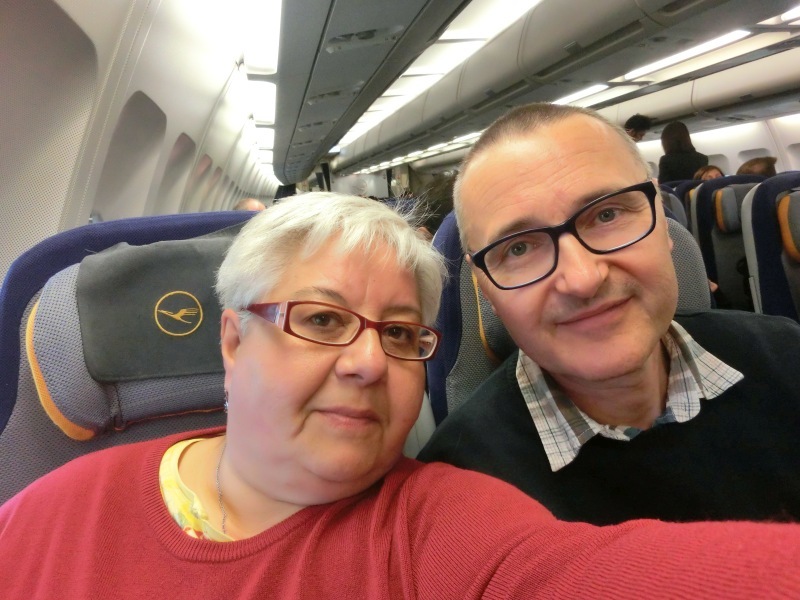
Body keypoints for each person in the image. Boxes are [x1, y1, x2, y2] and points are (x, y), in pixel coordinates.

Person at [4, 194, 800, 598]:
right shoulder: (46, 518)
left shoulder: (436, 528)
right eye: (321, 319)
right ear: (234, 341)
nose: (367, 363)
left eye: (399, 334)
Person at [418, 102, 800, 526]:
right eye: (520, 248)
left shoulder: (787, 354)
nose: (582, 279)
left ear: (661, 220)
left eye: (606, 214)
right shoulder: (457, 489)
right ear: (484, 286)